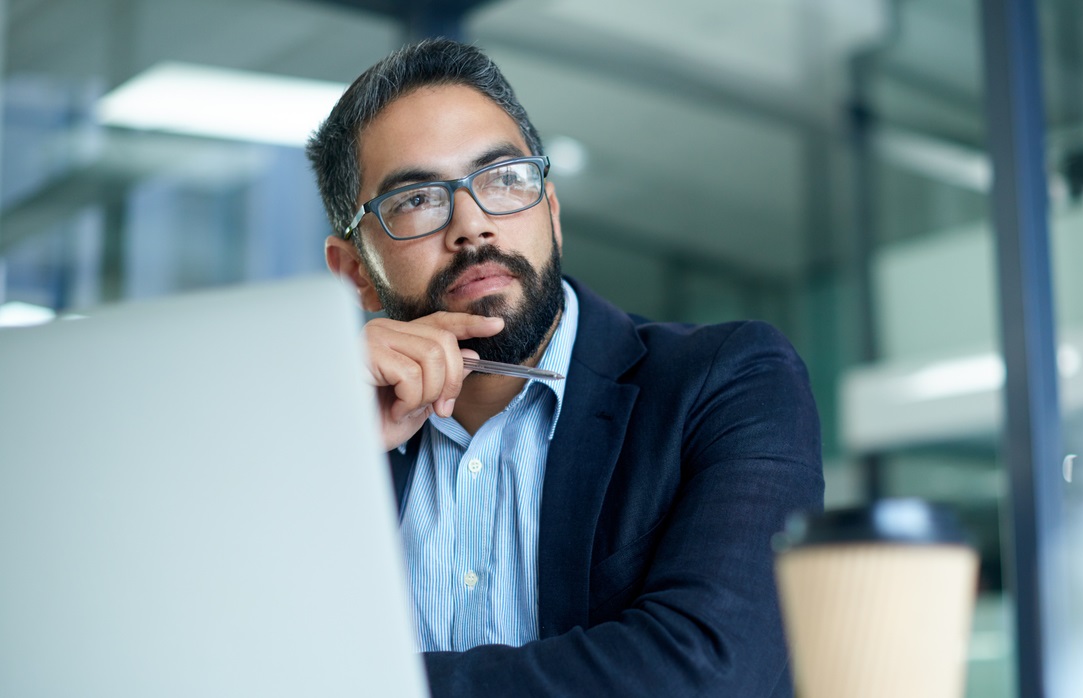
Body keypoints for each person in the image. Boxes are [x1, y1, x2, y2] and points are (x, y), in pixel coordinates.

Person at [306, 38, 824, 697]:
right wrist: (323, 440)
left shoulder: (728, 381)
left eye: (503, 180)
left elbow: (706, 674)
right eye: (417, 201)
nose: (473, 225)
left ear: (550, 209)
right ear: (356, 274)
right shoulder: (328, 434)